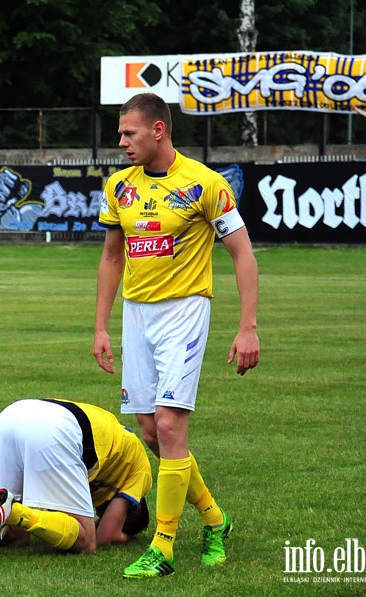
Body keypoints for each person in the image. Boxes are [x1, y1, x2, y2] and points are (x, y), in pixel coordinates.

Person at [92, 93, 260, 579]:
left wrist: (247, 327)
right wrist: (102, 326)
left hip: (185, 311)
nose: (121, 142)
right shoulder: (118, 187)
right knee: (150, 433)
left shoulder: (205, 185)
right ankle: (215, 519)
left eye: (129, 133)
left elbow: (242, 254)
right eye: (120, 133)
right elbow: (111, 257)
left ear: (158, 131)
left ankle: (163, 547)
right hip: (136, 316)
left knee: (169, 428)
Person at [0, 398, 152, 558]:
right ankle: (14, 510)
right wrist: (122, 535)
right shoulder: (140, 474)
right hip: (55, 429)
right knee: (87, 541)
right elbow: (104, 536)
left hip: (10, 417)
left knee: (15, 536)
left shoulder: (117, 452)